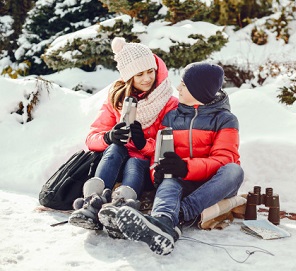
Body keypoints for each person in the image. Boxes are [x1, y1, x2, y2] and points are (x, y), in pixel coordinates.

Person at [114, 62, 244, 255]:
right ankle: (163, 222)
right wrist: (155, 171)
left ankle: (180, 214)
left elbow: (224, 159)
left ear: (199, 89)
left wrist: (185, 167)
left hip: (213, 186)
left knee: (234, 170)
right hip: (182, 180)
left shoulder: (225, 119)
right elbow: (160, 156)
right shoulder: (171, 118)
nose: (178, 88)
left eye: (184, 84)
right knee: (167, 175)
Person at [68, 37, 179, 239]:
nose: (147, 78)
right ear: (129, 77)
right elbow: (92, 138)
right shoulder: (116, 100)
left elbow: (168, 146)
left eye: (150, 71)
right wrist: (109, 137)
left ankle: (122, 208)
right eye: (139, 74)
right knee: (115, 149)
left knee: (136, 161)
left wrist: (143, 144)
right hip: (113, 163)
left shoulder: (169, 103)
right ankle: (92, 203)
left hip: (143, 167)